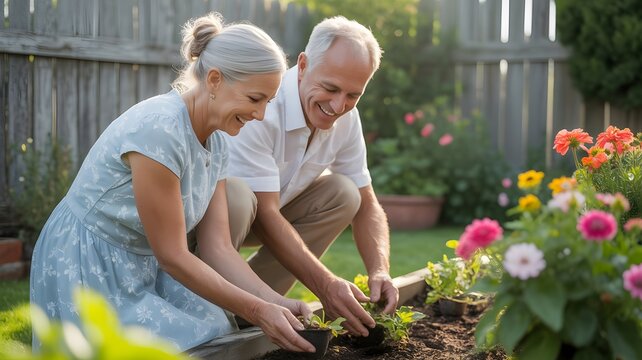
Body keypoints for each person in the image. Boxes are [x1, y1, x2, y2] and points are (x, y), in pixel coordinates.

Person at [29, 13, 317, 353]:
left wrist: (275, 301)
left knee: (213, 327)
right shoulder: (160, 130)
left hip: (143, 264)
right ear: (213, 80)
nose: (261, 115)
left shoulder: (219, 142)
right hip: (89, 262)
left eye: (267, 102)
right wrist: (257, 310)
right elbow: (173, 255)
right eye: (254, 99)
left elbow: (218, 248)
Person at [225, 16, 399, 337]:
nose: (338, 105)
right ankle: (215, 303)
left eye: (353, 95)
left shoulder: (347, 118)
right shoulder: (263, 106)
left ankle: (248, 309)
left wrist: (380, 271)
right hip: (217, 220)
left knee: (345, 193)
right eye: (330, 88)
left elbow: (367, 204)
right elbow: (263, 214)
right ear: (303, 65)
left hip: (271, 210)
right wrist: (326, 285)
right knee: (235, 198)